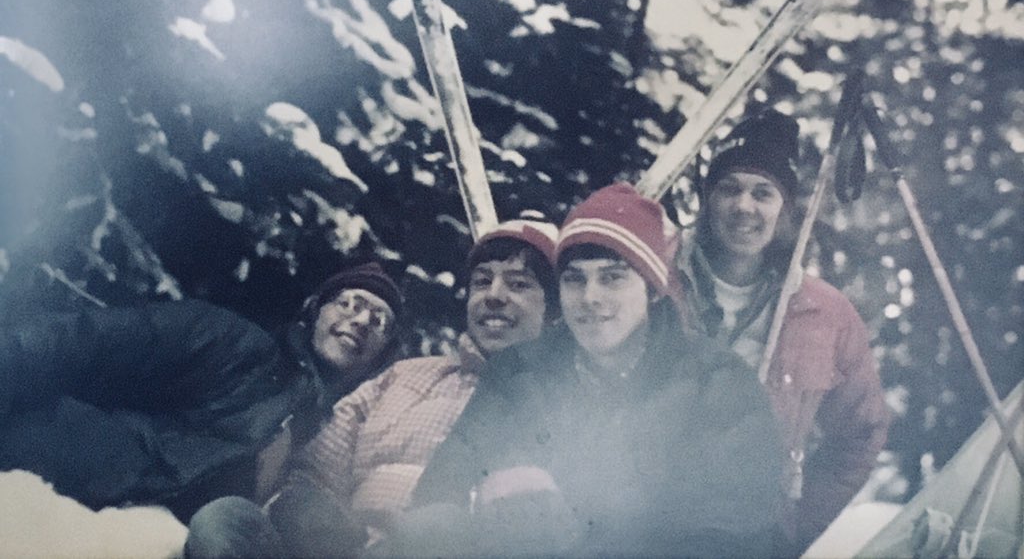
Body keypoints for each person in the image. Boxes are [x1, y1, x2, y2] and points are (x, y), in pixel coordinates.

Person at [406, 183, 784, 557]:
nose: (590, 298)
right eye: (574, 279)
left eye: (612, 277)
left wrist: (575, 539)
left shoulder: (718, 382)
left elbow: (732, 534)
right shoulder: (518, 371)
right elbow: (443, 486)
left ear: (652, 290)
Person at [184, 220, 558, 559]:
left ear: (553, 309)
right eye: (481, 281)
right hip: (346, 546)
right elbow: (315, 473)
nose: (493, 295)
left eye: (519, 284)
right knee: (224, 520)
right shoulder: (405, 376)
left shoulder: (557, 398)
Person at [0, 261, 403, 522]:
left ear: (382, 358)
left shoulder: (333, 439)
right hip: (70, 479)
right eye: (348, 303)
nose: (361, 320)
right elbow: (89, 339)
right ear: (313, 312)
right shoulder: (237, 343)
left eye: (379, 321)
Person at [673, 109, 889, 552]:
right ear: (707, 198)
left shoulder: (827, 314)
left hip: (753, 539)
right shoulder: (656, 286)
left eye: (762, 193)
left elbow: (861, 433)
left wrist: (796, 524)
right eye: (728, 188)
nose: (743, 207)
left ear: (785, 209)